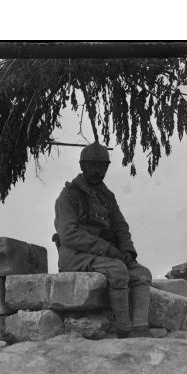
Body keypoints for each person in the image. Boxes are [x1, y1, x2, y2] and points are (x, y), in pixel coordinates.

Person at [53, 142, 152, 338]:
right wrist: (110, 250)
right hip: (75, 255)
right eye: (93, 166)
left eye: (103, 167)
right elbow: (69, 234)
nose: (98, 172)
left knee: (141, 273)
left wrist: (127, 252)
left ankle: (141, 328)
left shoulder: (107, 197)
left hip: (105, 255)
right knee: (118, 270)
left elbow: (120, 227)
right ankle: (124, 328)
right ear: (82, 166)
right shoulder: (69, 196)